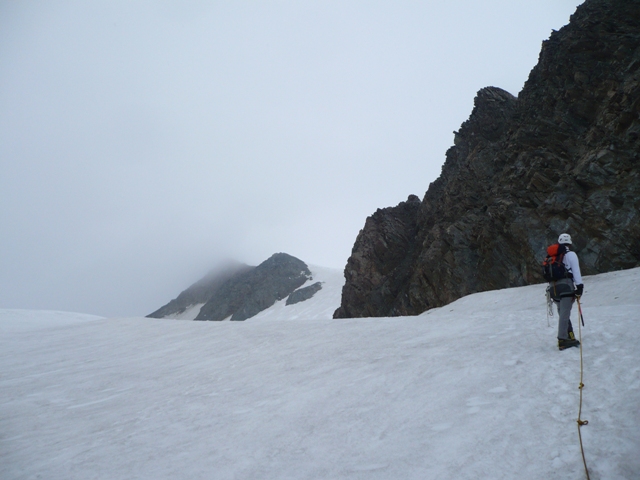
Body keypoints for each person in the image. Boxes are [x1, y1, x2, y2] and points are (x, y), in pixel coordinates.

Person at [548, 233, 584, 350]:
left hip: (553, 287)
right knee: (565, 313)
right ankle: (563, 340)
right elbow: (576, 271)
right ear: (569, 243)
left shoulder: (553, 256)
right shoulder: (571, 254)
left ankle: (569, 335)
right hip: (566, 286)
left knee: (562, 311)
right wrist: (579, 287)